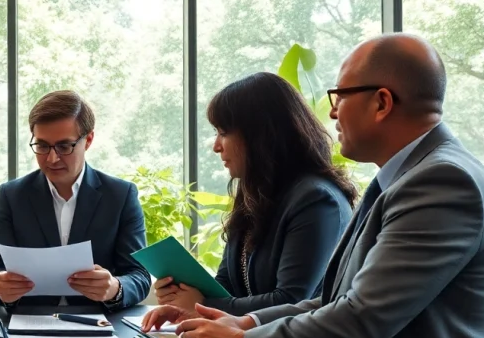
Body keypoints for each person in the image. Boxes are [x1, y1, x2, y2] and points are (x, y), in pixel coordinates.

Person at [144, 34, 484, 338]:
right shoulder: (399, 178)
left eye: (339, 95)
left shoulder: (440, 181)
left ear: (381, 103)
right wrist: (245, 325)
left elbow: (363, 318)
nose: (331, 111)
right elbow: (331, 300)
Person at [151, 72, 356, 318]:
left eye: (224, 133)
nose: (216, 146)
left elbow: (291, 300)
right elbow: (226, 283)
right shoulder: (255, 193)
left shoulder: (317, 200)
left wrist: (203, 305)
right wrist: (182, 299)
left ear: (260, 135)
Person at [0, 90, 151, 310]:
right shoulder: (12, 195)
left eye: (64, 146)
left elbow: (139, 275)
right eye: (42, 146)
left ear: (88, 140)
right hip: (29, 322)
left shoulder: (120, 195)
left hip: (99, 326)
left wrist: (115, 288)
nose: (52, 158)